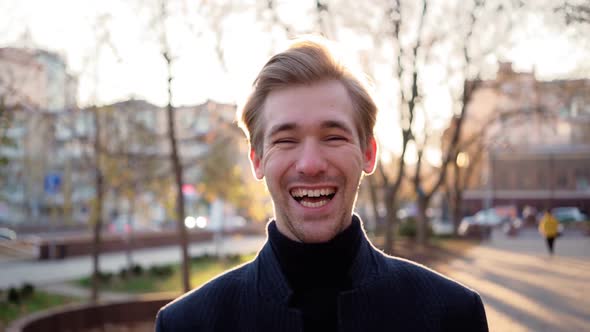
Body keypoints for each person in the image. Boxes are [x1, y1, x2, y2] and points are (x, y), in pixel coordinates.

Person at [155, 37, 488, 332]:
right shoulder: (188, 324)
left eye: (333, 136)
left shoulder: (452, 315)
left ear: (368, 153)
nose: (311, 165)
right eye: (286, 140)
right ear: (257, 160)